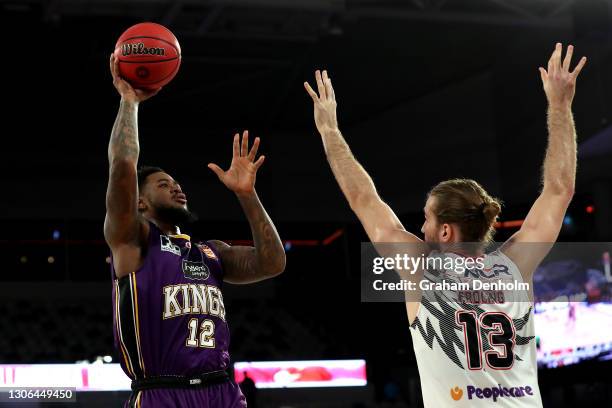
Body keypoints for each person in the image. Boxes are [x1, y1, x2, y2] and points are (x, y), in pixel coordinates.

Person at [304, 43, 586, 407]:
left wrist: (329, 131)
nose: (421, 229)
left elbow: (364, 200)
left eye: (426, 219)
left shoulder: (421, 270)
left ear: (446, 231)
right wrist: (561, 107)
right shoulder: (516, 265)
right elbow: (560, 189)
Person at [106, 54, 286, 407]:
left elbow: (272, 263)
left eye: (176, 183)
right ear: (139, 202)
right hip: (161, 392)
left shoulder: (211, 253)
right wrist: (129, 102)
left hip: (222, 391)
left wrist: (247, 196)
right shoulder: (135, 241)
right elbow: (123, 165)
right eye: (162, 184)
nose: (176, 188)